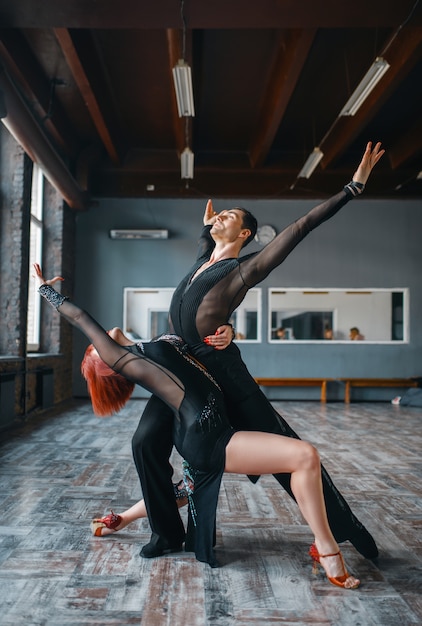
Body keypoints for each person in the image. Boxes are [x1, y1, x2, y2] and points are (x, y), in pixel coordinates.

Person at [132, 141, 385, 561]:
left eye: (230, 217)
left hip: (219, 376)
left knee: (285, 450)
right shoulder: (201, 260)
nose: (221, 217)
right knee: (144, 443)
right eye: (220, 215)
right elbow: (197, 294)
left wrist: (352, 187)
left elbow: (301, 227)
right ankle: (165, 533)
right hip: (179, 372)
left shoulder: (244, 268)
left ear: (246, 234)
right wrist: (207, 226)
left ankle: (346, 531)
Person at [34, 264, 360, 588]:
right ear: (107, 367)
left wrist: (228, 328)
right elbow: (80, 318)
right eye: (95, 350)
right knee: (304, 456)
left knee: (190, 489)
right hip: (209, 438)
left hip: (214, 431)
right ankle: (327, 549)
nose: (98, 342)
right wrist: (44, 289)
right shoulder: (128, 360)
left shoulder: (152, 347)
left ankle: (123, 517)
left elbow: (198, 330)